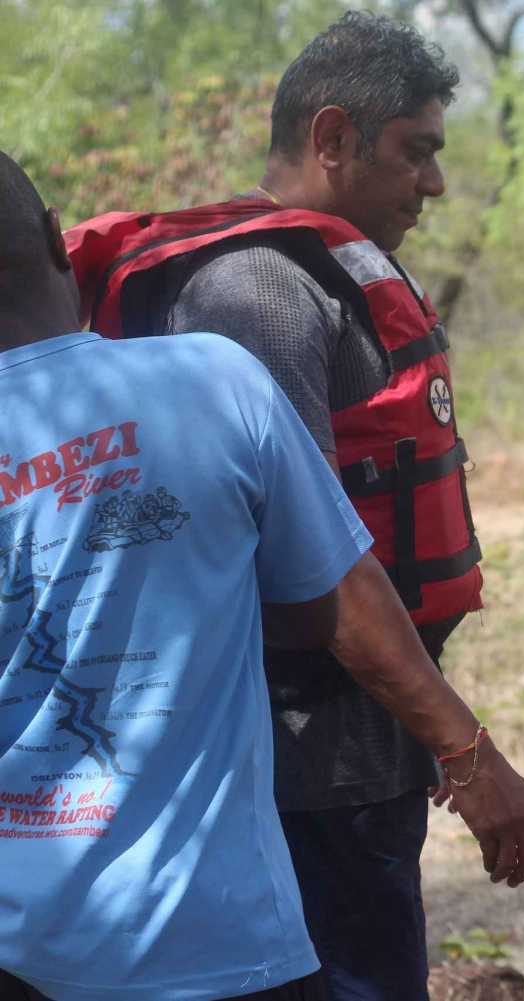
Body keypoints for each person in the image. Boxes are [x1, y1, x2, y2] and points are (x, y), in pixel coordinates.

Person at [64, 13, 524, 998]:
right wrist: (467, 751)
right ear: (333, 139)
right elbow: (313, 568)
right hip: (305, 764)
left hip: (355, 748)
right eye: (418, 154)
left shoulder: (323, 268)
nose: (436, 184)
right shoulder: (259, 292)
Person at [0, 153, 350, 999]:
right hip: (219, 944)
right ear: (58, 240)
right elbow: (336, 600)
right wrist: (467, 750)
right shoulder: (211, 377)